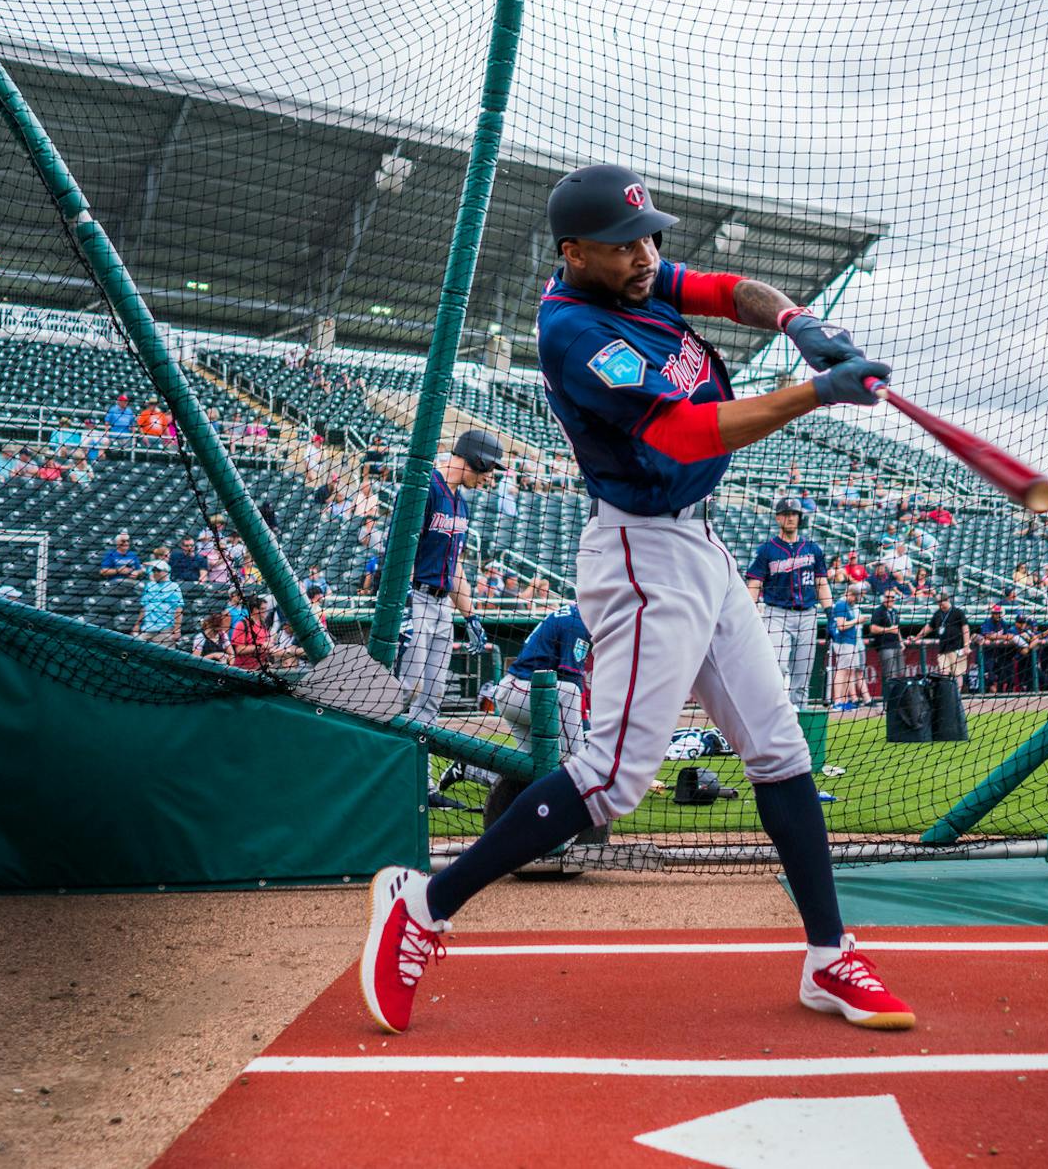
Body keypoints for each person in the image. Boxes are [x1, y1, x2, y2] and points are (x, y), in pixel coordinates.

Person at [362, 165, 911, 1037]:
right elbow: (685, 430)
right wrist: (811, 393)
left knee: (778, 750)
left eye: (651, 236)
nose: (648, 255)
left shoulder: (641, 275)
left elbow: (729, 288)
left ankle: (826, 956)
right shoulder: (576, 331)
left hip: (699, 543)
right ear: (574, 253)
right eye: (625, 247)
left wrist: (798, 323)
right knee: (613, 778)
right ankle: (425, 905)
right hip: (641, 549)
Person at [393, 427, 501, 727]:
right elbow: (401, 549)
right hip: (416, 597)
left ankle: (418, 768)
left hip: (443, 608)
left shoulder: (461, 503)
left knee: (433, 695)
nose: (490, 476)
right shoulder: (424, 488)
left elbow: (455, 568)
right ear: (477, 459)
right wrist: (404, 601)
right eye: (490, 467)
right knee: (406, 690)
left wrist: (471, 618)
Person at [746, 499, 832, 710]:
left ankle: (798, 727)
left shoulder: (812, 548)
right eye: (786, 513)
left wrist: (830, 613)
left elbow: (822, 583)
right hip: (777, 614)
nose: (791, 517)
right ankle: (771, 715)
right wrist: (748, 612)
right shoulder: (767, 550)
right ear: (777, 518)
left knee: (802, 678)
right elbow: (754, 584)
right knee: (777, 668)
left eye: (794, 513)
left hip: (808, 615)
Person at [483, 601, 593, 763]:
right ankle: (580, 768)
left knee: (533, 769)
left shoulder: (576, 613)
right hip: (519, 690)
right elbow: (572, 681)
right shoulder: (577, 621)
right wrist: (585, 728)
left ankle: (469, 769)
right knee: (570, 693)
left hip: (529, 696)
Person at [825, 588, 865, 709]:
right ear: (851, 594)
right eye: (855, 597)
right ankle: (837, 701)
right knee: (842, 671)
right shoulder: (841, 604)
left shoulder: (847, 605)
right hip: (843, 641)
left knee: (849, 672)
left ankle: (844, 700)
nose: (855, 600)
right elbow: (841, 625)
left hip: (850, 641)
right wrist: (857, 621)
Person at [918, 593, 970, 687]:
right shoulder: (938, 613)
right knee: (943, 672)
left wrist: (967, 645)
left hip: (957, 648)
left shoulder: (958, 612)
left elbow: (965, 629)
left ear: (948, 600)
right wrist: (917, 637)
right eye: (938, 603)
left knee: (957, 673)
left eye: (942, 603)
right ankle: (947, 694)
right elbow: (929, 627)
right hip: (943, 649)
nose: (940, 605)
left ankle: (956, 695)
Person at [133, 561, 183, 646]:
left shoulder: (173, 587)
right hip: (147, 628)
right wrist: (137, 625)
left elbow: (178, 609)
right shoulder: (149, 585)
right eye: (154, 570)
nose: (155, 573)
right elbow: (144, 607)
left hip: (165, 630)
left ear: (166, 572)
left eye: (158, 571)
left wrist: (177, 630)